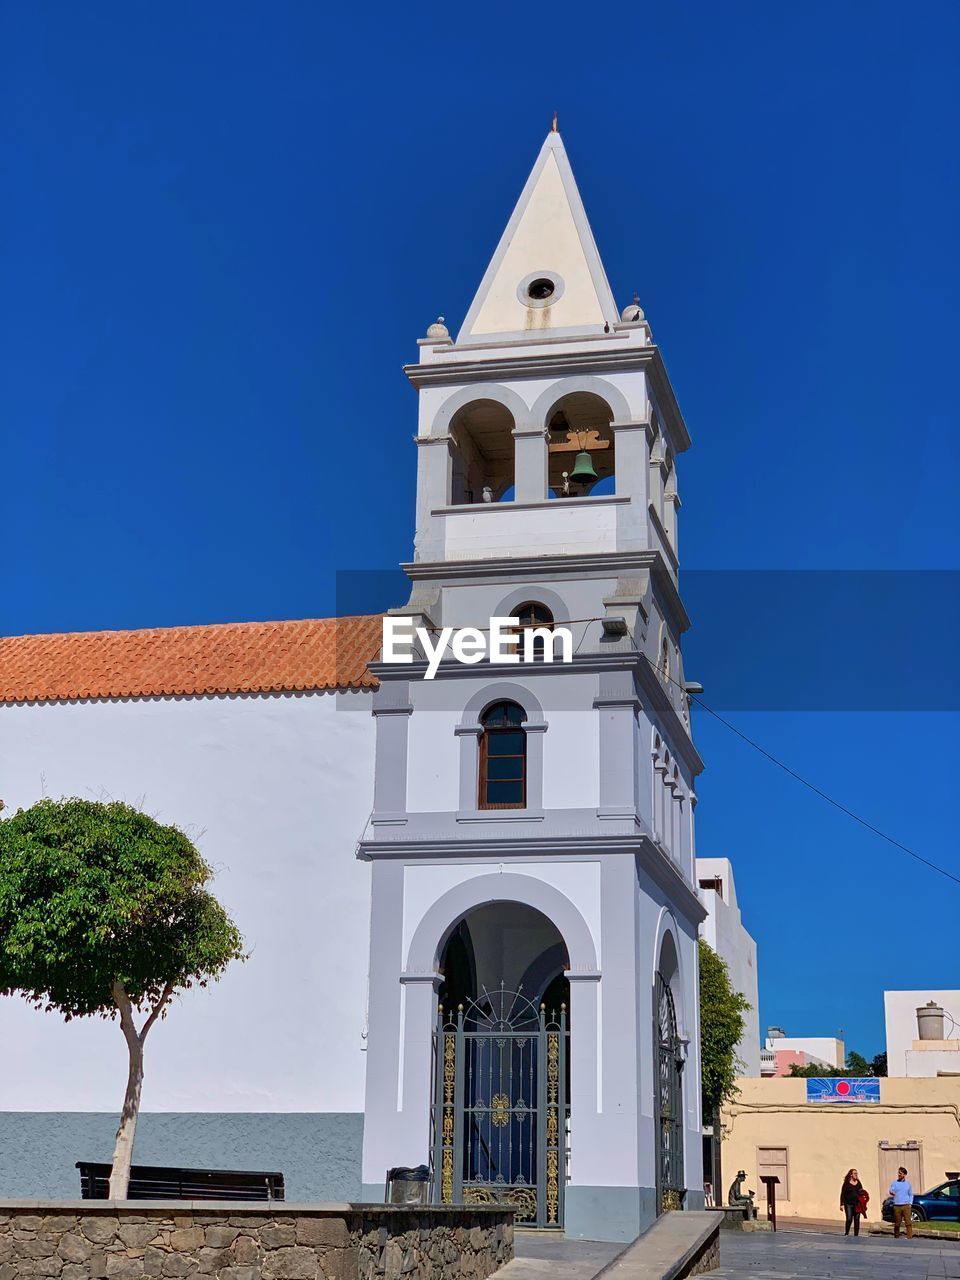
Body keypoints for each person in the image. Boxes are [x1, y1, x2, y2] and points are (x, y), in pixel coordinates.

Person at [840, 1168, 867, 1236]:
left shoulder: (858, 1183)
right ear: (851, 1175)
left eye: (857, 1173)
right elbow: (842, 1193)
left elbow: (861, 1192)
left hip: (857, 1204)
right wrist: (841, 1204)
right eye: (855, 1173)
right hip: (848, 1204)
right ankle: (846, 1233)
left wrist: (863, 1198)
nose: (856, 1175)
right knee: (849, 1219)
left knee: (857, 1219)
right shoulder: (846, 1183)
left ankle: (856, 1235)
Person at [889, 1166, 914, 1239]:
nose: (899, 1174)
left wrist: (910, 1203)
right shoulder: (894, 1183)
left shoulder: (908, 1184)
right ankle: (896, 1236)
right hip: (897, 1205)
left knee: (908, 1222)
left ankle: (909, 1237)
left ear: (904, 1174)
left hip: (906, 1205)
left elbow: (911, 1194)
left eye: (900, 1173)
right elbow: (891, 1190)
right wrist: (891, 1192)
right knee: (897, 1223)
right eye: (898, 1173)